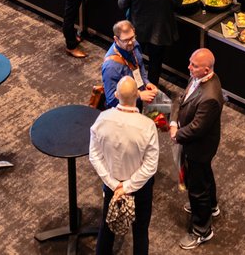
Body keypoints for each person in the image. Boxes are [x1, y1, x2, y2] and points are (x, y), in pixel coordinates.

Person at [90, 75, 160, 255]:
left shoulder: (102, 119)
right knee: (140, 231)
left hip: (112, 187)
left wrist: (115, 185)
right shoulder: (147, 126)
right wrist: (128, 187)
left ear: (116, 95)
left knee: (106, 228)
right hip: (140, 188)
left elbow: (95, 156)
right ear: (137, 95)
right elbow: (150, 165)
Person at [171, 48, 224, 250]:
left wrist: (177, 134)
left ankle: (202, 230)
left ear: (206, 70)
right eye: (190, 62)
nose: (189, 67)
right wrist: (175, 122)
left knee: (197, 189)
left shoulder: (210, 97)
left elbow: (197, 128)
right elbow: (184, 99)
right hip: (198, 147)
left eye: (194, 65)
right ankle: (212, 206)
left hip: (199, 147)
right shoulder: (198, 77)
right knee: (204, 174)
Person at [118, 0, 180, 86]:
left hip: (138, 31)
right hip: (160, 32)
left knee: (134, 61)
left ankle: (134, 86)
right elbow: (178, 4)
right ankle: (152, 88)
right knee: (155, 64)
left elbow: (121, 4)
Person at [101, 20, 160, 109]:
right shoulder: (110, 66)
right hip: (122, 110)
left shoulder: (135, 45)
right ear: (116, 39)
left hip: (137, 101)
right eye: (125, 40)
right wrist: (139, 95)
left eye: (132, 37)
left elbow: (139, 67)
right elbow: (112, 100)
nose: (130, 42)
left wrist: (146, 82)